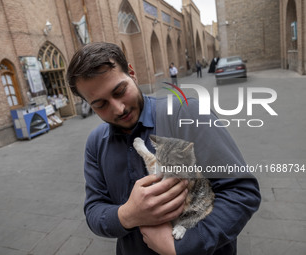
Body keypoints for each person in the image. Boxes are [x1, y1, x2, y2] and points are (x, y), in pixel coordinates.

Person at [67, 42, 261, 255]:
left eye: (120, 91)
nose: (118, 108)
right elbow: (94, 210)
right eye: (100, 104)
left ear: (132, 74)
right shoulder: (96, 144)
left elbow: (241, 192)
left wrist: (182, 247)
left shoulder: (188, 113)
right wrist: (128, 214)